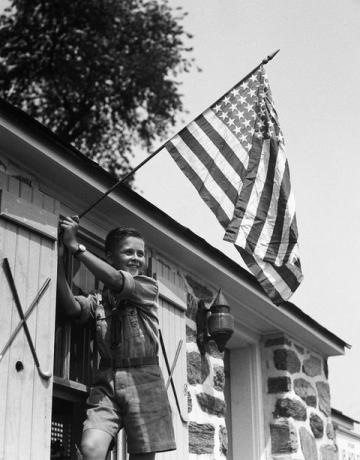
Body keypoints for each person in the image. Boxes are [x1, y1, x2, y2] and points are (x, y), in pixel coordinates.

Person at [57, 216, 176, 460]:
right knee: (91, 448)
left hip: (144, 379)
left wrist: (76, 247)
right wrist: (58, 256)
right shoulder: (99, 300)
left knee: (142, 456)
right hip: (107, 380)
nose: (136, 258)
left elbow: (115, 280)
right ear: (110, 256)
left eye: (140, 254)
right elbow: (71, 308)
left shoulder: (147, 287)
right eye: (128, 252)